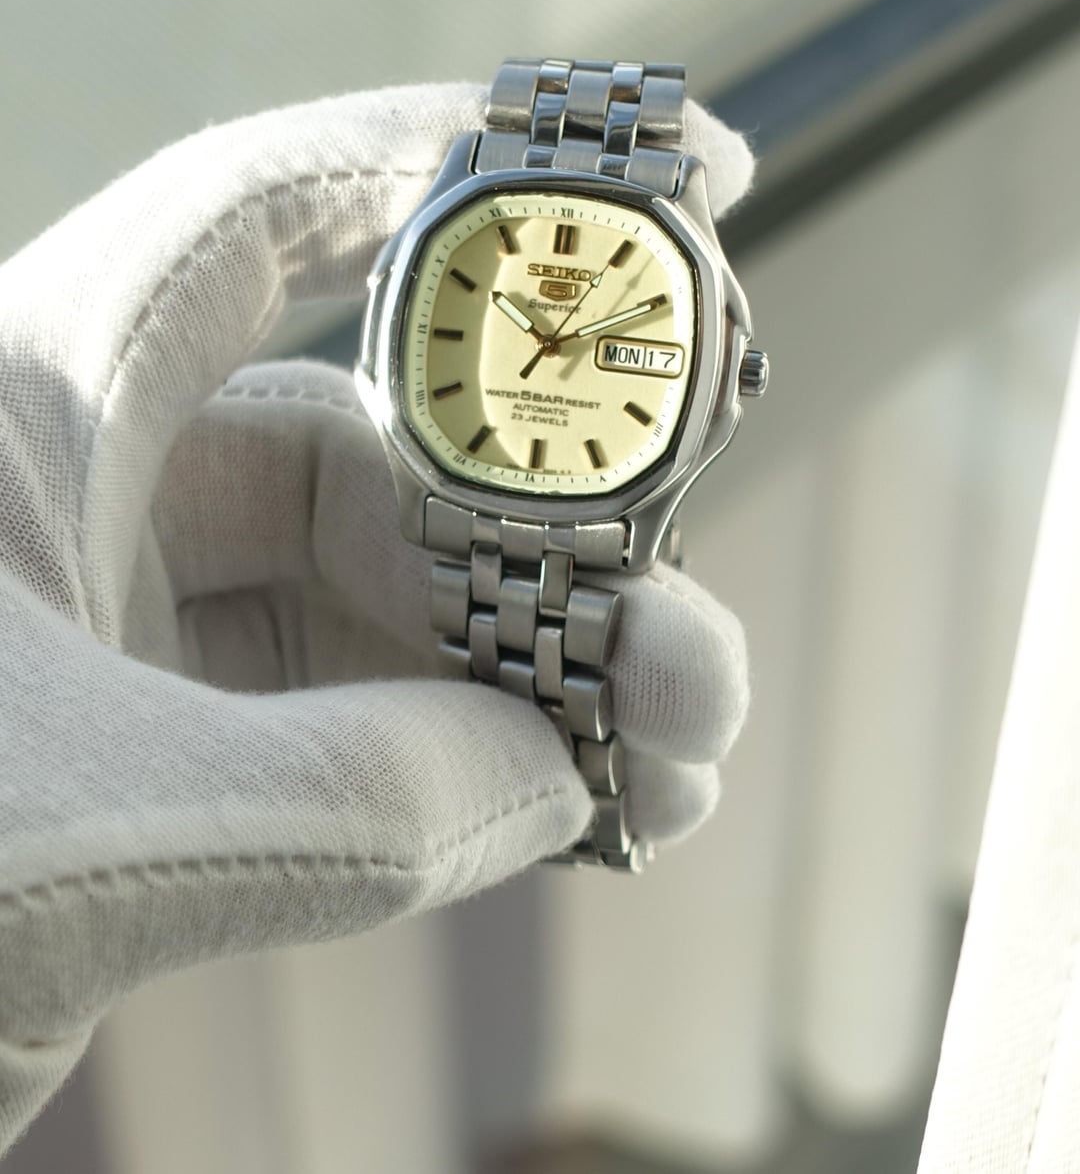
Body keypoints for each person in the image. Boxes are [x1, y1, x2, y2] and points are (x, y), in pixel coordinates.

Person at [0, 83, 754, 1154]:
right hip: (465, 486)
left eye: (573, 340)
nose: (549, 351)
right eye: (530, 328)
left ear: (727, 373)